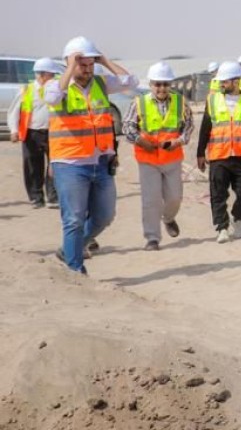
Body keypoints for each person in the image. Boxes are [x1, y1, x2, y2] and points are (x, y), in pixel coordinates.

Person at [43, 37, 137, 273]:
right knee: (74, 219)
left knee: (105, 215)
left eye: (89, 65)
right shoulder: (57, 86)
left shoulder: (101, 83)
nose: (86, 70)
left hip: (101, 162)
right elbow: (53, 98)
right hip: (70, 163)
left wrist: (104, 60)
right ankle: (75, 268)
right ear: (69, 63)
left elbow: (130, 82)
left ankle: (69, 249)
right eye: (81, 64)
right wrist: (70, 67)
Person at [125, 62, 192, 250]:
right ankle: (152, 238)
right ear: (151, 84)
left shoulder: (180, 102)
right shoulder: (139, 103)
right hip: (148, 160)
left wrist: (178, 141)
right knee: (151, 200)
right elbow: (127, 127)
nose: (161, 88)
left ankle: (168, 218)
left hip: (172, 159)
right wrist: (139, 140)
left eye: (165, 84)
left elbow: (188, 126)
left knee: (175, 198)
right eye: (157, 84)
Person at [196, 60, 241, 243]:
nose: (221, 84)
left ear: (235, 81)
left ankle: (237, 218)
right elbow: (205, 128)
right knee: (218, 194)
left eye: (224, 81)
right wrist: (200, 153)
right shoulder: (213, 100)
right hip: (219, 154)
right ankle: (222, 228)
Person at [8, 57, 62, 208]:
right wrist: (14, 130)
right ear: (42, 75)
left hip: (54, 133)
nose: (54, 78)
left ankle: (53, 197)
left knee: (55, 165)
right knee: (33, 166)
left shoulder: (56, 89)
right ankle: (36, 198)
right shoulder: (26, 90)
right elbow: (14, 112)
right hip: (32, 134)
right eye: (52, 75)